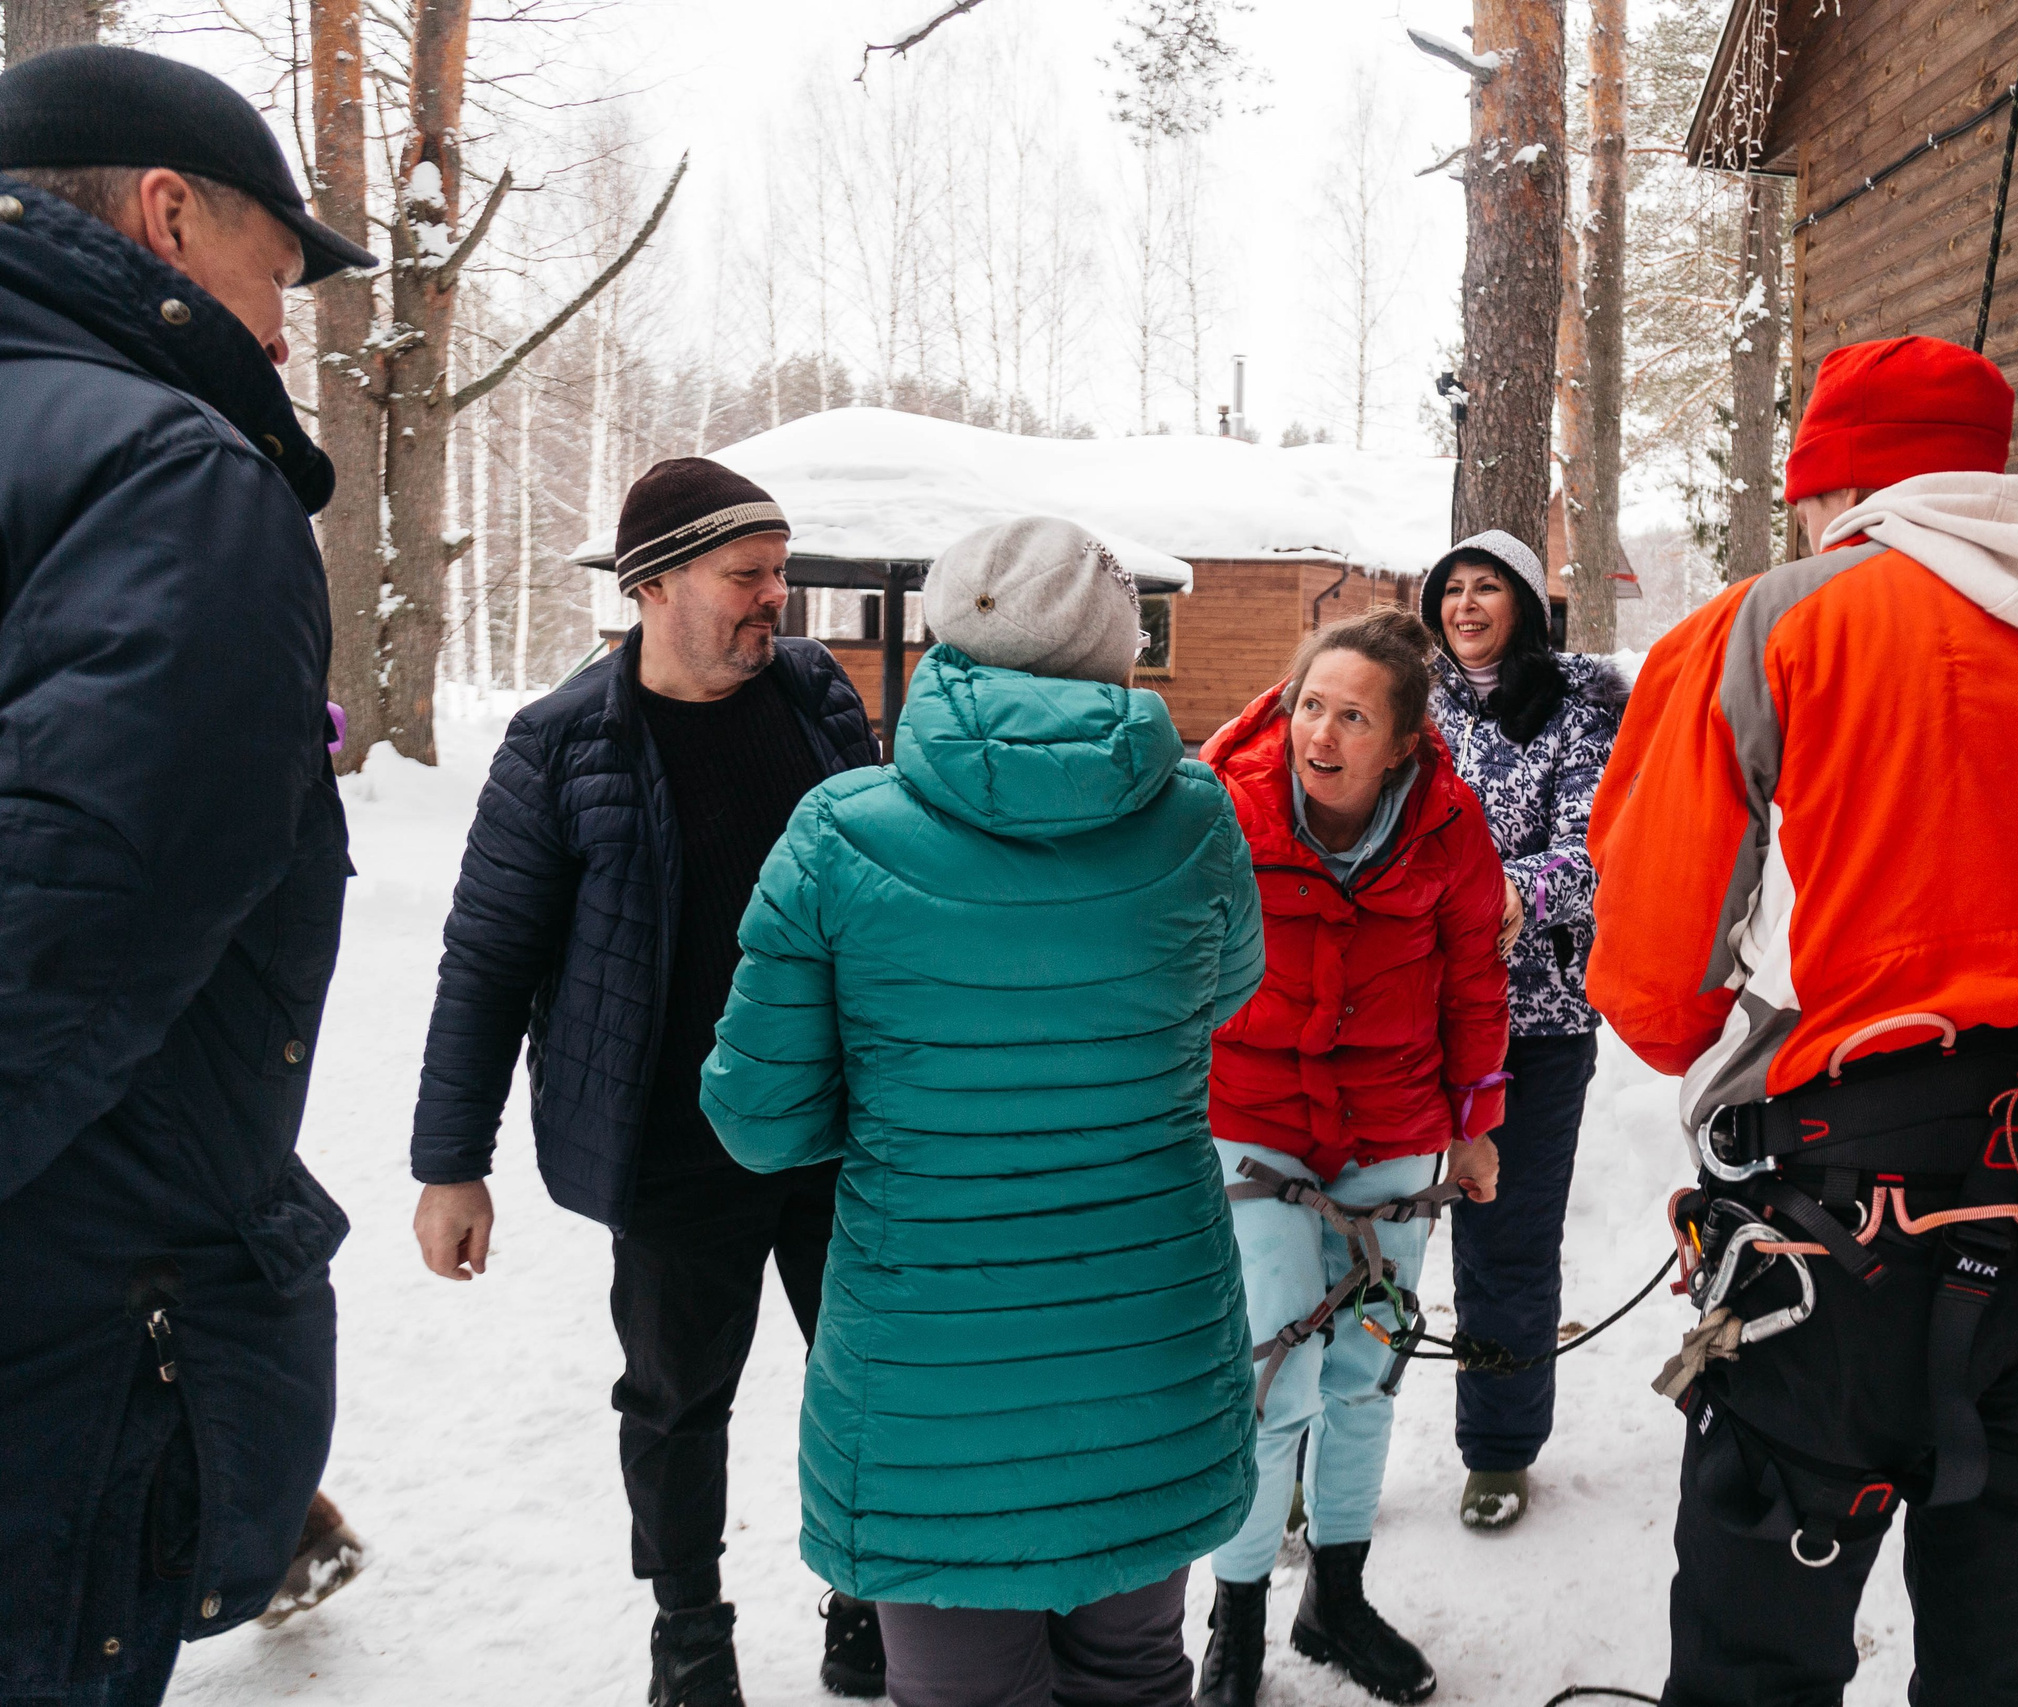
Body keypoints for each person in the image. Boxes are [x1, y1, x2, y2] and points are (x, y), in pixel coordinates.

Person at [1586, 334, 2018, 1707]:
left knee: (1757, 1649)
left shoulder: (1771, 625)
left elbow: (1651, 975)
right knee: (2010, 1648)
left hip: (1840, 1228)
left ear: (1837, 486)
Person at [697, 516, 1263, 1707]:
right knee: (1134, 1674)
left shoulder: (839, 832)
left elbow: (761, 1117)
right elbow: (1225, 992)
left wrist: (912, 1110)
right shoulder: (1197, 818)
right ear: (1116, 648)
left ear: (949, 632)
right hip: (1146, 1343)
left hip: (929, 1367)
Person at [0, 44, 377, 1707]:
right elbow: (68, 928)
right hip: (75, 1330)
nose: (283, 333)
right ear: (167, 214)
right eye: (275, 271)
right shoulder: (172, 475)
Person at [408, 458, 882, 1707]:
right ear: (654, 585)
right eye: (748, 574)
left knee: (868, 1380)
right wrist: (451, 1164)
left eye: (780, 571)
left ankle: (867, 1597)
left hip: (837, 1131)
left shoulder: (815, 696)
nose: (776, 596)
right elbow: (488, 959)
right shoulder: (563, 743)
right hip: (677, 1148)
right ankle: (690, 1633)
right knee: (676, 1402)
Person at [1194, 607, 1512, 1707]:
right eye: (1310, 707)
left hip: (1394, 1126)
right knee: (1272, 1376)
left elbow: (1473, 981)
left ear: (1404, 743)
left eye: (1354, 718)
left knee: (1367, 1374)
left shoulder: (1449, 827)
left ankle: (1336, 1597)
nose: (1321, 735)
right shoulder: (1221, 807)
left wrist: (1475, 1125)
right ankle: (1235, 1618)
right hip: (1255, 1120)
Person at [1418, 530, 1625, 1531]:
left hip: (1535, 1021)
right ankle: (1307, 1444)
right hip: (1403, 1016)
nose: (1465, 605)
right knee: (1354, 1234)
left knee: (1506, 1243)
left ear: (1527, 607)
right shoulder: (1412, 705)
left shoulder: (1578, 713)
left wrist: (1505, 890)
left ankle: (1498, 1448)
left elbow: (1599, 848)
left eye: (1486, 588)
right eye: (1451, 589)